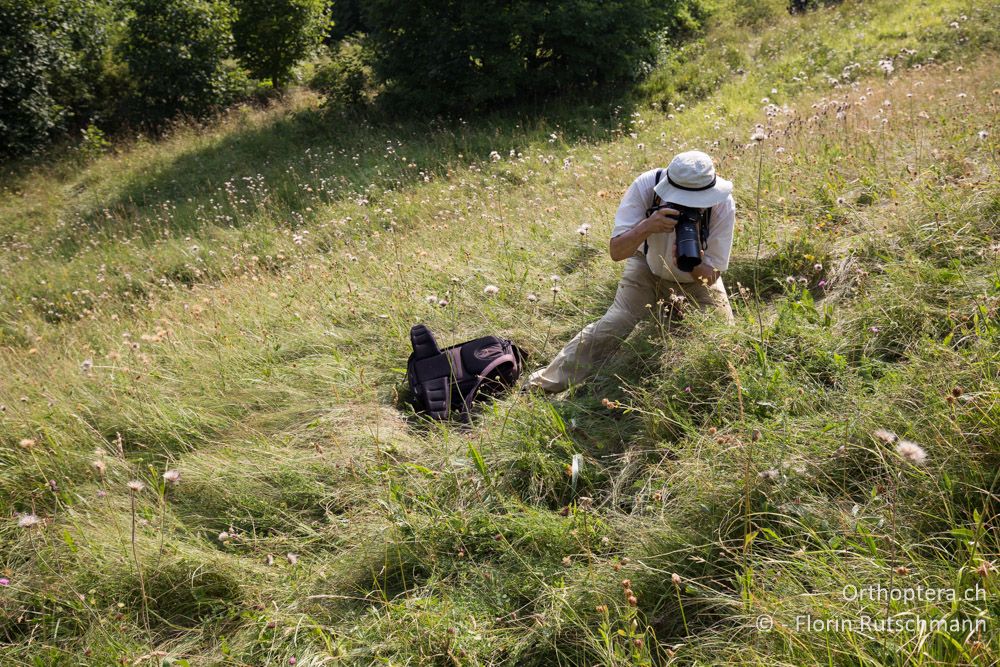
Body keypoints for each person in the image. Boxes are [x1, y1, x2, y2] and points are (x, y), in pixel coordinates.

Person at [523, 150, 736, 394]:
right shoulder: (647, 186)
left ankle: (711, 394)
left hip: (694, 278)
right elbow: (616, 252)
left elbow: (712, 275)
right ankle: (541, 386)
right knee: (616, 322)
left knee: (723, 337)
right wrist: (647, 226)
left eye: (696, 203)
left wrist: (693, 263)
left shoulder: (722, 203)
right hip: (646, 267)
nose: (688, 207)